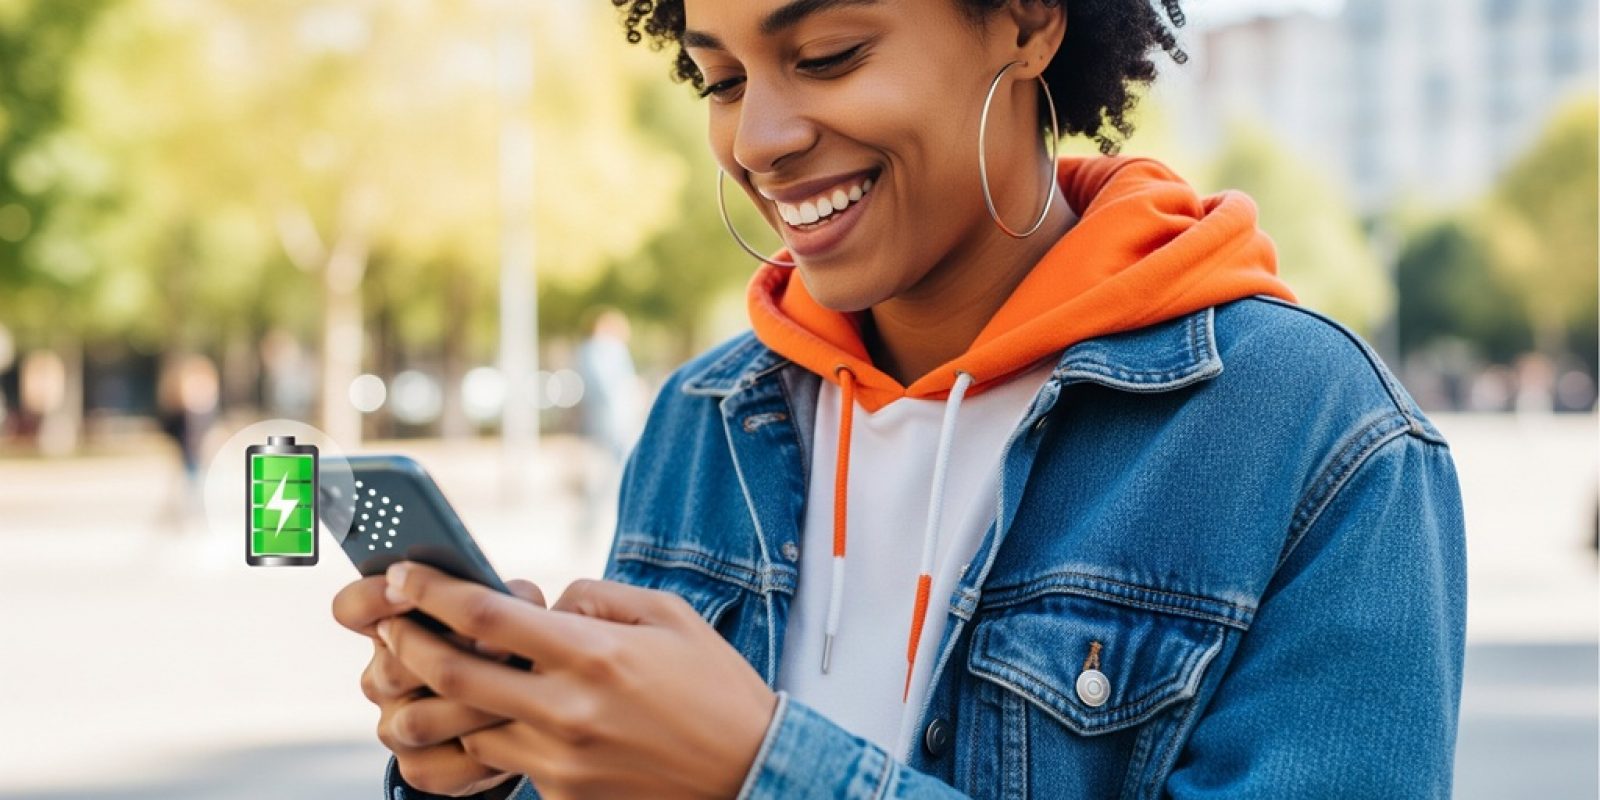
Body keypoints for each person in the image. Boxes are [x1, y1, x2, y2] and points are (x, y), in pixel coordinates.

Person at [331, 1, 1468, 797]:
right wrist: (500, 761)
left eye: (825, 53)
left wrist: (756, 770)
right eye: (721, 79)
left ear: (1024, 19)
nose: (759, 139)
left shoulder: (1319, 440)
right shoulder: (704, 417)